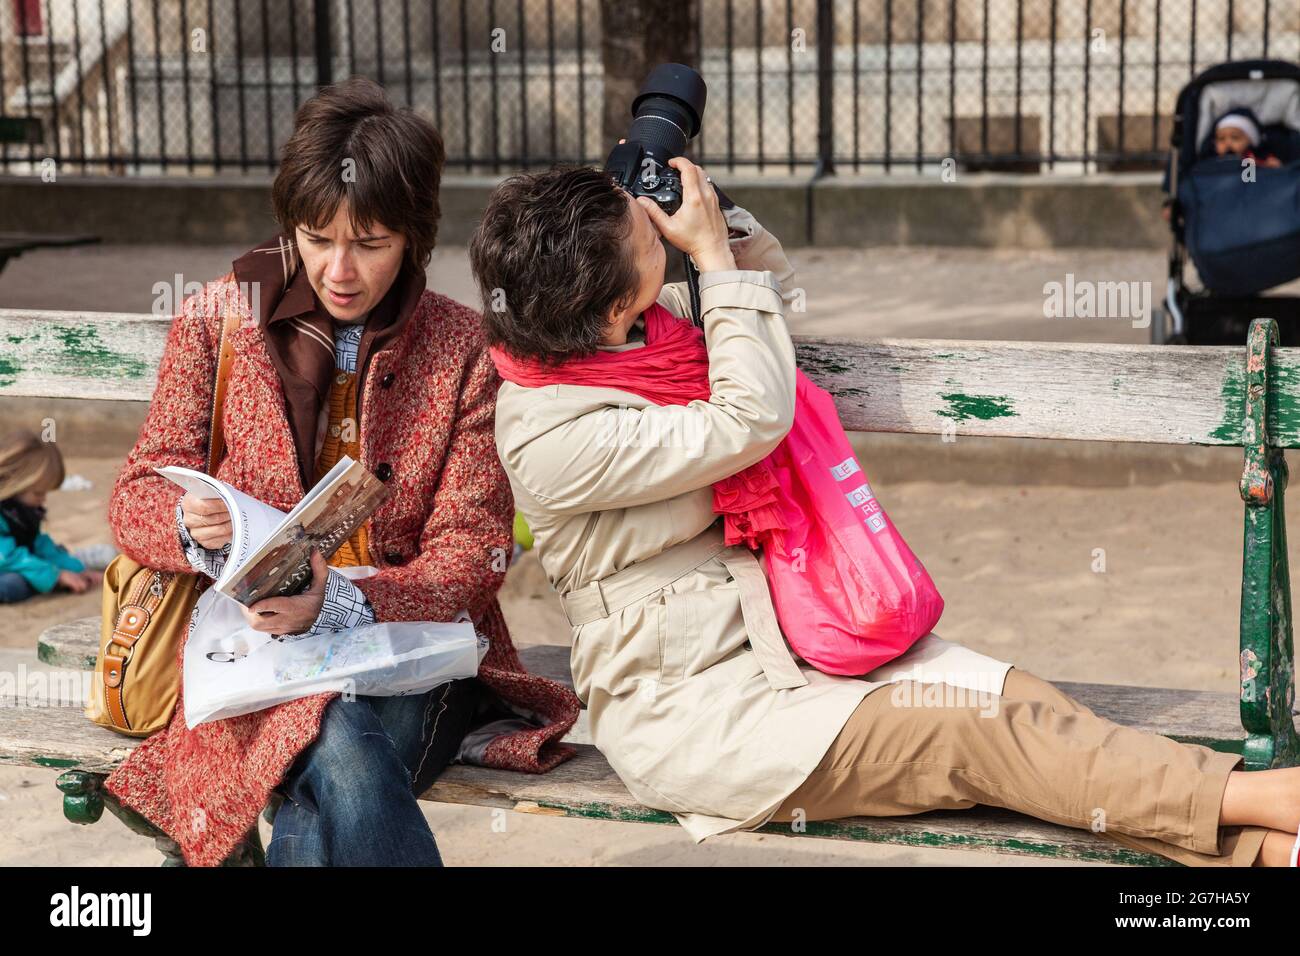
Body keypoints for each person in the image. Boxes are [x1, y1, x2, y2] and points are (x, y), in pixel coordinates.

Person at [471, 159, 1300, 867]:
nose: (665, 228)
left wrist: (729, 226)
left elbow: (772, 311)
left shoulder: (642, 346)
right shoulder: (550, 430)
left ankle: (1268, 847)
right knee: (977, 732)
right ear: (612, 307)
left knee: (1021, 701)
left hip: (799, 648)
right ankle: (1270, 795)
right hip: (703, 717)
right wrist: (714, 261)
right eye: (651, 238)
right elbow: (748, 419)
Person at [104, 77, 580, 867]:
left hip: (414, 656)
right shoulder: (219, 319)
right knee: (344, 757)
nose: (339, 269)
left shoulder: (461, 350)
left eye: (370, 243)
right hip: (251, 655)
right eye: (317, 238)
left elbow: (472, 553)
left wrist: (343, 599)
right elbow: (132, 500)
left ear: (415, 237)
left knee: (335, 753)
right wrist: (190, 525)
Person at [0, 428, 101, 603]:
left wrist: (77, 569)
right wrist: (57, 575)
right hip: (6, 564)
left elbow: (37, 543)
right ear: (14, 483)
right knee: (12, 585)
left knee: (38, 567)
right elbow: (6, 557)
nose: (44, 499)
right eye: (38, 493)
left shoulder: (22, 511)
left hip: (15, 561)